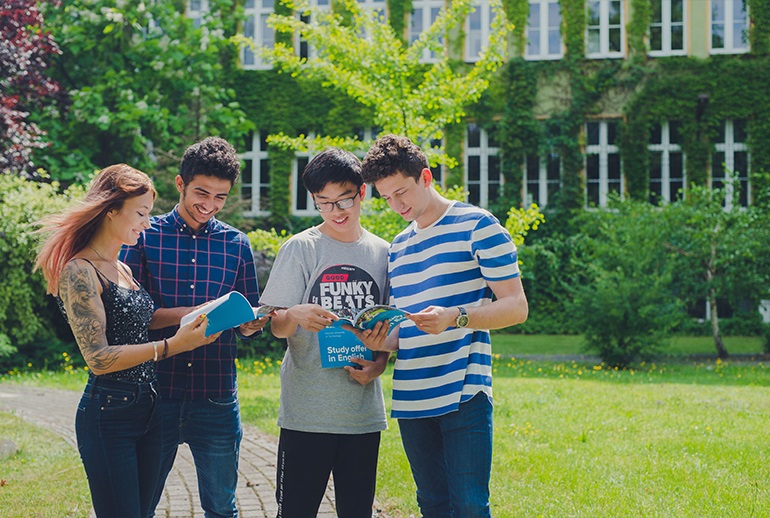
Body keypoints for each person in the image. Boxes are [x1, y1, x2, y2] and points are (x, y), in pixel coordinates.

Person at [34, 164, 219, 517]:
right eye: (141, 213)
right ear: (110, 210)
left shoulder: (122, 269)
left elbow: (140, 320)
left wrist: (200, 311)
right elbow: (98, 357)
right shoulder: (79, 271)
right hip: (109, 413)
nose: (146, 224)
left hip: (150, 408)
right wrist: (172, 347)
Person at [360, 134, 529, 517]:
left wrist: (457, 317)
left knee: (469, 506)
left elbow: (517, 307)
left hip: (463, 393)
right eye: (386, 198)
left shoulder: (477, 225)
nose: (396, 205)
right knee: (432, 506)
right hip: (412, 396)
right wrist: (376, 340)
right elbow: (407, 332)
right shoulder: (398, 247)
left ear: (426, 177)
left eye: (401, 192)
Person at [121, 137, 268, 517]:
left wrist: (253, 324)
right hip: (157, 391)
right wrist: (196, 312)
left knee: (222, 507)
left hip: (216, 395)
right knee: (142, 503)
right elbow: (131, 313)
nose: (209, 204)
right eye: (202, 192)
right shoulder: (143, 235)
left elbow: (246, 320)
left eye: (220, 197)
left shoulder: (237, 244)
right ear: (180, 184)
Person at [258, 147, 392, 517]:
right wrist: (294, 314)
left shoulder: (384, 253)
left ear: (362, 193)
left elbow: (388, 327)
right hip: (307, 412)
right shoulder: (301, 248)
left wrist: (380, 364)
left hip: (361, 414)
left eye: (344, 199)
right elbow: (276, 326)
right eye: (324, 203)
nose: (337, 211)